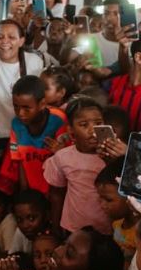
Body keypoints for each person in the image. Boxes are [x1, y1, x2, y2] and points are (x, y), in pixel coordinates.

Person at [44, 97, 111, 237]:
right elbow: (57, 194)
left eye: (98, 123)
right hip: (73, 227)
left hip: (106, 229)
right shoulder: (62, 157)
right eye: (84, 125)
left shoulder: (111, 157)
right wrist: (56, 226)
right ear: (71, 130)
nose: (93, 130)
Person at [0, 19, 44, 166]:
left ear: (21, 41)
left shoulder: (34, 62)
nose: (5, 41)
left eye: (11, 37)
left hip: (29, 136)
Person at [0, 75, 67, 195]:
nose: (20, 113)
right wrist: (26, 193)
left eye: (26, 108)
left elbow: (66, 157)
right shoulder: (16, 125)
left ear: (42, 104)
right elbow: (19, 161)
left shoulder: (59, 120)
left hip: (56, 191)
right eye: (16, 107)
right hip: (32, 188)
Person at [95, 157, 140, 269]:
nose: (102, 205)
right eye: (100, 197)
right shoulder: (117, 223)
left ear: (131, 197)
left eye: (108, 200)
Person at [9, 188, 50, 254]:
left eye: (31, 218)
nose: (25, 225)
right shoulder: (20, 233)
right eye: (19, 220)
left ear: (46, 215)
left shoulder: (52, 240)